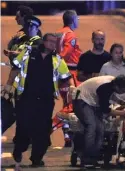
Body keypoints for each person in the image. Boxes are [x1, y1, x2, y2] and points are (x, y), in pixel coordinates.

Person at [2, 33, 74, 170]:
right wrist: (9, 85)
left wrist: (72, 87)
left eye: (55, 42)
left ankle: (37, 158)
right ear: (44, 42)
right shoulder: (29, 52)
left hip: (46, 100)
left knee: (42, 130)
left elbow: (67, 76)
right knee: (24, 127)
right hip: (26, 97)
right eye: (51, 42)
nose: (54, 45)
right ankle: (18, 151)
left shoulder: (57, 59)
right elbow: (15, 68)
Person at [72, 75, 125, 167]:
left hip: (91, 101)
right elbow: (105, 110)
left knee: (100, 129)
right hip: (81, 99)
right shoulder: (104, 87)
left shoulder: (111, 84)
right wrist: (123, 113)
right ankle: (87, 157)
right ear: (117, 86)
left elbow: (110, 96)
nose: (124, 92)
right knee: (91, 126)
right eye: (123, 90)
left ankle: (94, 156)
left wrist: (121, 102)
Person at [2, 15, 43, 135]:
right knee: (19, 112)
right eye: (27, 26)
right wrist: (9, 84)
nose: (28, 28)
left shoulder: (39, 43)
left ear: (36, 28)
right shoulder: (23, 41)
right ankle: (22, 136)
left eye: (31, 26)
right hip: (21, 86)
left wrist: (16, 53)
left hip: (33, 85)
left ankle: (31, 136)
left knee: (31, 112)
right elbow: (16, 63)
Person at [54, 10, 82, 147]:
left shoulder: (58, 33)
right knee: (71, 106)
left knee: (67, 105)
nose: (79, 21)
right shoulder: (71, 35)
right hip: (70, 73)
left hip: (61, 74)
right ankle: (48, 128)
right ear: (73, 20)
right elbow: (65, 54)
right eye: (77, 18)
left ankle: (67, 136)